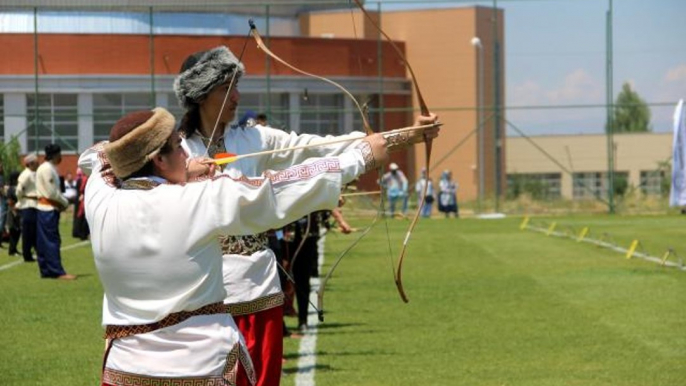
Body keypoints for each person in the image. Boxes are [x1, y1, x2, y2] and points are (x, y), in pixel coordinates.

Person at [174, 45, 438, 386]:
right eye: (228, 88)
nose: (237, 96)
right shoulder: (175, 150)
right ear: (202, 94)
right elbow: (118, 171)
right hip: (204, 292)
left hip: (257, 285)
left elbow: (321, 147)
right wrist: (182, 172)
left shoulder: (254, 138)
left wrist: (410, 135)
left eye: (236, 86)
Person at [78, 107, 389, 385]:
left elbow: (97, 155)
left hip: (127, 371)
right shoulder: (196, 199)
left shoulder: (99, 196)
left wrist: (174, 169)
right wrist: (360, 156)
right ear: (158, 160)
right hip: (201, 368)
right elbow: (275, 189)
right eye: (178, 148)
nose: (188, 155)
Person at [35, 144, 75, 280]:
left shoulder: (48, 168)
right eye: (59, 154)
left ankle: (46, 270)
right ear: (54, 155)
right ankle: (57, 271)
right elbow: (52, 192)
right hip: (49, 208)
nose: (61, 157)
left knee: (43, 241)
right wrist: (65, 202)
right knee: (52, 240)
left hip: (45, 209)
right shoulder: (47, 169)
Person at [15, 153, 39, 262]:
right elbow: (19, 190)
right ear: (30, 163)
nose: (38, 164)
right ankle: (27, 255)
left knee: (33, 230)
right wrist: (21, 201)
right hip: (28, 204)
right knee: (28, 231)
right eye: (36, 162)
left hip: (34, 204)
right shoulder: (26, 174)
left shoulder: (33, 173)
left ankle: (34, 252)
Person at [5, 171, 21, 256]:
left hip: (18, 210)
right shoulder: (11, 189)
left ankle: (14, 249)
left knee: (18, 230)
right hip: (12, 211)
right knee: (13, 230)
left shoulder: (17, 187)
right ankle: (11, 250)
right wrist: (14, 211)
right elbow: (9, 201)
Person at [71, 168, 90, 240]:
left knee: (79, 216)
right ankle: (83, 234)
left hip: (79, 199)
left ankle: (78, 232)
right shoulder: (84, 179)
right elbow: (82, 189)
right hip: (82, 199)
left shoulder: (79, 179)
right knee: (82, 216)